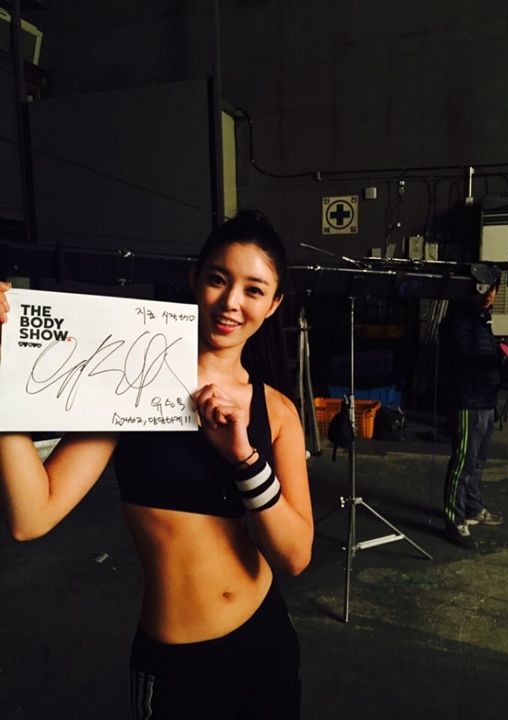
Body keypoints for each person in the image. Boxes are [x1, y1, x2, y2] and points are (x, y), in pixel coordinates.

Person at [0, 210, 313, 719]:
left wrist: (243, 458)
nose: (231, 302)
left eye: (254, 290)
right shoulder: (130, 382)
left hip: (267, 639)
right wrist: (4, 375)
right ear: (194, 279)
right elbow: (31, 516)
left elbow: (296, 556)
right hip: (180, 665)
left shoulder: (277, 411)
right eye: (218, 279)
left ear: (274, 304)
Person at [438, 272, 503, 550]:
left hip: (486, 399)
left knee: (478, 461)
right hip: (467, 402)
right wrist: (495, 360)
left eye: (494, 289)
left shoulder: (482, 319)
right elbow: (462, 357)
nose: (489, 295)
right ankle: (454, 522)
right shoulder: (458, 319)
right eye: (484, 289)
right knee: (463, 464)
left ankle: (473, 508)